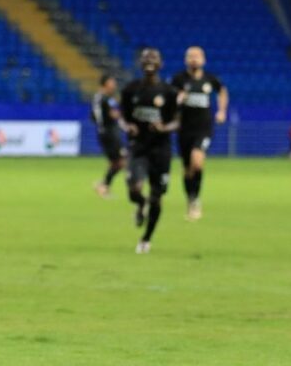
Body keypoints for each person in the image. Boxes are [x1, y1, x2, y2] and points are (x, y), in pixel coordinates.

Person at [121, 48, 179, 254]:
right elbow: (122, 116)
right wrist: (127, 126)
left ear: (160, 64)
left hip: (161, 150)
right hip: (138, 147)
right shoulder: (130, 90)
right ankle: (140, 204)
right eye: (146, 59)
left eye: (154, 59)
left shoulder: (169, 92)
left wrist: (165, 127)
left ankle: (146, 238)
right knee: (134, 189)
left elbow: (177, 121)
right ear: (140, 63)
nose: (149, 62)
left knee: (157, 197)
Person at [170, 46, 228, 221]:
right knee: (187, 169)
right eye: (190, 56)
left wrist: (221, 111)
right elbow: (169, 99)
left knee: (197, 162)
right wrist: (177, 100)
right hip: (184, 129)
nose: (194, 59)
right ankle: (191, 199)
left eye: (197, 56)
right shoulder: (178, 79)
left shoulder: (210, 79)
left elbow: (223, 91)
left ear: (203, 60)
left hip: (203, 128)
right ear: (186, 60)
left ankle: (196, 200)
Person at [92, 73, 125, 197]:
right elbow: (112, 114)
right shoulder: (105, 98)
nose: (114, 85)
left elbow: (93, 116)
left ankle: (104, 185)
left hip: (106, 132)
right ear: (105, 84)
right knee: (121, 161)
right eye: (112, 82)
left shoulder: (99, 98)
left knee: (116, 162)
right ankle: (103, 185)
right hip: (109, 133)